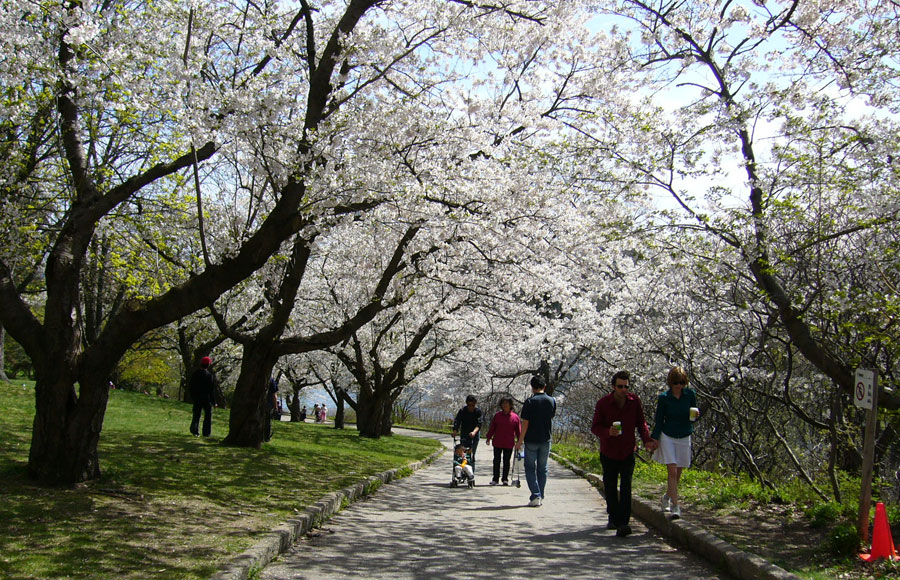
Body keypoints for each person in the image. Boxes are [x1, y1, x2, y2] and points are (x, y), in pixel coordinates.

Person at [591, 370, 657, 537]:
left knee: (626, 486)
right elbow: (595, 427)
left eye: (626, 386)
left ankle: (623, 523)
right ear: (613, 387)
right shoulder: (603, 403)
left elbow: (640, 423)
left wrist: (647, 439)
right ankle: (613, 517)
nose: (623, 389)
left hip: (628, 450)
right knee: (611, 486)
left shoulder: (634, 402)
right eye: (620, 386)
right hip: (609, 451)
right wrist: (607, 432)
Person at [650, 366, 699, 519]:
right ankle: (676, 506)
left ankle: (666, 497)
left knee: (678, 471)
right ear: (671, 382)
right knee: (671, 470)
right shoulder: (664, 398)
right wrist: (654, 439)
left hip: (684, 434)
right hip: (668, 435)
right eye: (676, 382)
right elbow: (659, 420)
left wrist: (696, 414)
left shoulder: (690, 395)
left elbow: (693, 415)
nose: (679, 385)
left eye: (682, 382)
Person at [515, 375, 556, 507]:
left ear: (532, 388)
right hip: (546, 438)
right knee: (542, 468)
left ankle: (536, 495)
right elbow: (551, 417)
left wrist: (519, 441)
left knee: (530, 468)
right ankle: (540, 495)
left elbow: (525, 423)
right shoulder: (552, 401)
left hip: (531, 440)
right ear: (544, 386)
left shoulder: (530, 402)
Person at [485, 397, 521, 486]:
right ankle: (495, 479)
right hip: (497, 441)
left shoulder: (515, 417)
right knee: (496, 461)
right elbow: (492, 427)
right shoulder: (497, 415)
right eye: (503, 403)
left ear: (510, 405)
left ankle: (505, 479)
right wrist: (488, 437)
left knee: (506, 461)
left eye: (507, 403)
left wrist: (520, 441)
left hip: (508, 443)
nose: (505, 405)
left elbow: (518, 430)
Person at [452, 394, 484, 475]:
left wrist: (474, 432)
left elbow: (479, 424)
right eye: (469, 405)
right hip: (464, 434)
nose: (471, 407)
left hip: (474, 434)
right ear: (466, 404)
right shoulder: (462, 411)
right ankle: (461, 470)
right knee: (462, 453)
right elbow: (457, 421)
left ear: (475, 404)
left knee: (471, 453)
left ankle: (470, 472)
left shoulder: (478, 412)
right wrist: (455, 430)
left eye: (472, 405)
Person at [189, 356, 216, 437]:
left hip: (197, 398)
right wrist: (214, 401)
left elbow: (191, 387)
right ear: (208, 365)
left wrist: (193, 396)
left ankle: (194, 430)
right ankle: (206, 432)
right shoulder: (209, 375)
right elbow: (211, 390)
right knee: (208, 416)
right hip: (207, 399)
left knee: (196, 415)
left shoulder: (195, 374)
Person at [264, 376, 278, 442]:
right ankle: (266, 437)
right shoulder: (271, 381)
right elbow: (274, 395)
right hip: (268, 403)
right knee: (267, 421)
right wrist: (275, 406)